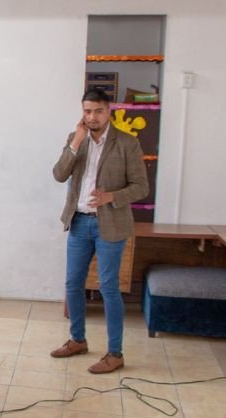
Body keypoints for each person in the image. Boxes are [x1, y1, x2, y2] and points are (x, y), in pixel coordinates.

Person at [51, 87, 148, 374]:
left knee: (108, 287)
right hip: (79, 221)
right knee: (72, 284)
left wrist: (111, 197)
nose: (91, 116)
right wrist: (76, 142)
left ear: (109, 111)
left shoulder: (127, 143)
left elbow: (141, 187)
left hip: (111, 223)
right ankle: (77, 339)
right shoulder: (76, 139)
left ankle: (115, 353)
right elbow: (59, 175)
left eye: (97, 111)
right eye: (87, 111)